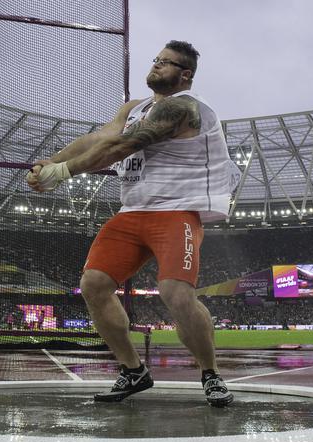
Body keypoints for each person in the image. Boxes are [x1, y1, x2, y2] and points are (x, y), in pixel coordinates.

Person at [26, 40, 240, 406]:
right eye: (155, 60)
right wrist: (52, 160)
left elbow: (119, 148)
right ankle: (133, 370)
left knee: (176, 294)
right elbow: (99, 138)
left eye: (166, 63)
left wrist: (61, 173)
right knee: (93, 284)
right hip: (132, 212)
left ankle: (210, 373)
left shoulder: (182, 108)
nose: (156, 66)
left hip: (176, 210)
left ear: (184, 74)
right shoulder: (135, 108)